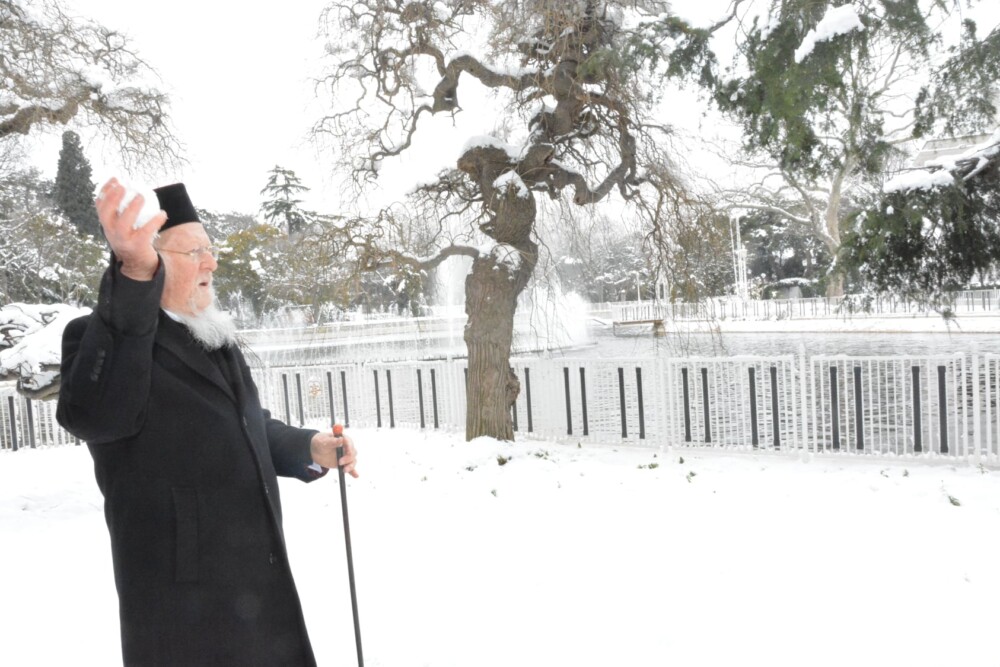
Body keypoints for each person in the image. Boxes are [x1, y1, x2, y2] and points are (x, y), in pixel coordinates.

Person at [57, 179, 357, 666]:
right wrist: (133, 272)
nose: (211, 263)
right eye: (194, 251)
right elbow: (95, 417)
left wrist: (309, 447)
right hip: (181, 601)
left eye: (210, 249)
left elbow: (245, 424)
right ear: (153, 262)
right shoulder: (100, 339)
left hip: (257, 580)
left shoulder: (213, 335)